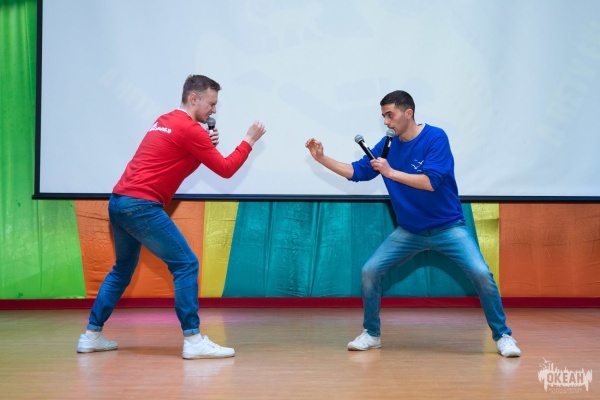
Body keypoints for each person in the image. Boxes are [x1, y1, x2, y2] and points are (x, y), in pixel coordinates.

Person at [305, 90, 521, 358]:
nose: (386, 122)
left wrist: (391, 172)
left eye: (390, 115)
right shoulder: (387, 145)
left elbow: (431, 182)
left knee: (480, 274)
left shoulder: (435, 137)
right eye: (383, 116)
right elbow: (357, 171)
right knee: (370, 271)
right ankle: (371, 334)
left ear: (408, 113)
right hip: (410, 231)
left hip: (448, 227)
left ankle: (503, 336)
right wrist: (322, 159)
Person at [77, 74, 266, 359]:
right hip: (141, 206)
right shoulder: (191, 130)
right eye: (211, 104)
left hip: (119, 203)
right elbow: (226, 170)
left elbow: (174, 164)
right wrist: (249, 140)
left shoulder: (164, 120)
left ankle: (91, 336)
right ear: (194, 98)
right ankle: (193, 339)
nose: (214, 110)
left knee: (122, 271)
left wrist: (203, 149)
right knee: (186, 264)